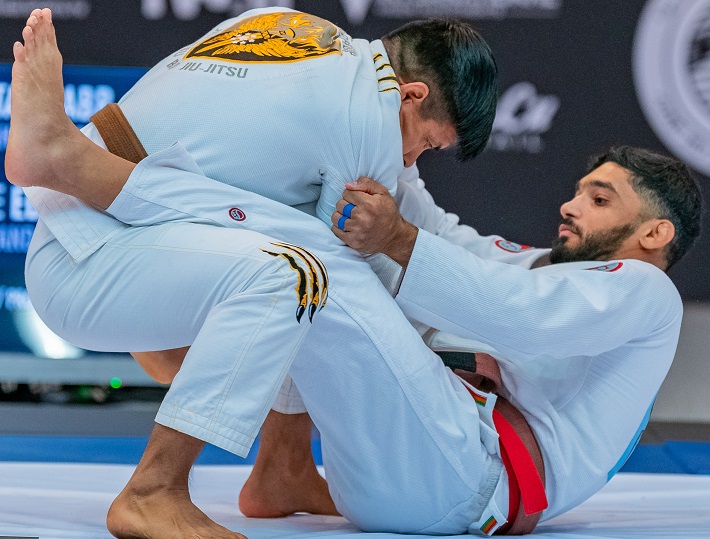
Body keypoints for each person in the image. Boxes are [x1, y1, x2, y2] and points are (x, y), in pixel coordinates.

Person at [7, 9, 704, 539]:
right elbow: (443, 239)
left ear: (655, 233)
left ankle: (83, 167)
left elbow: (516, 314)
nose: (570, 205)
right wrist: (391, 202)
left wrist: (393, 229)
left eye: (599, 200)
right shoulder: (547, 268)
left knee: (318, 259)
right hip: (424, 457)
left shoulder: (645, 293)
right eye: (579, 191)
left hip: (467, 477)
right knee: (317, 252)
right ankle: (280, 469)